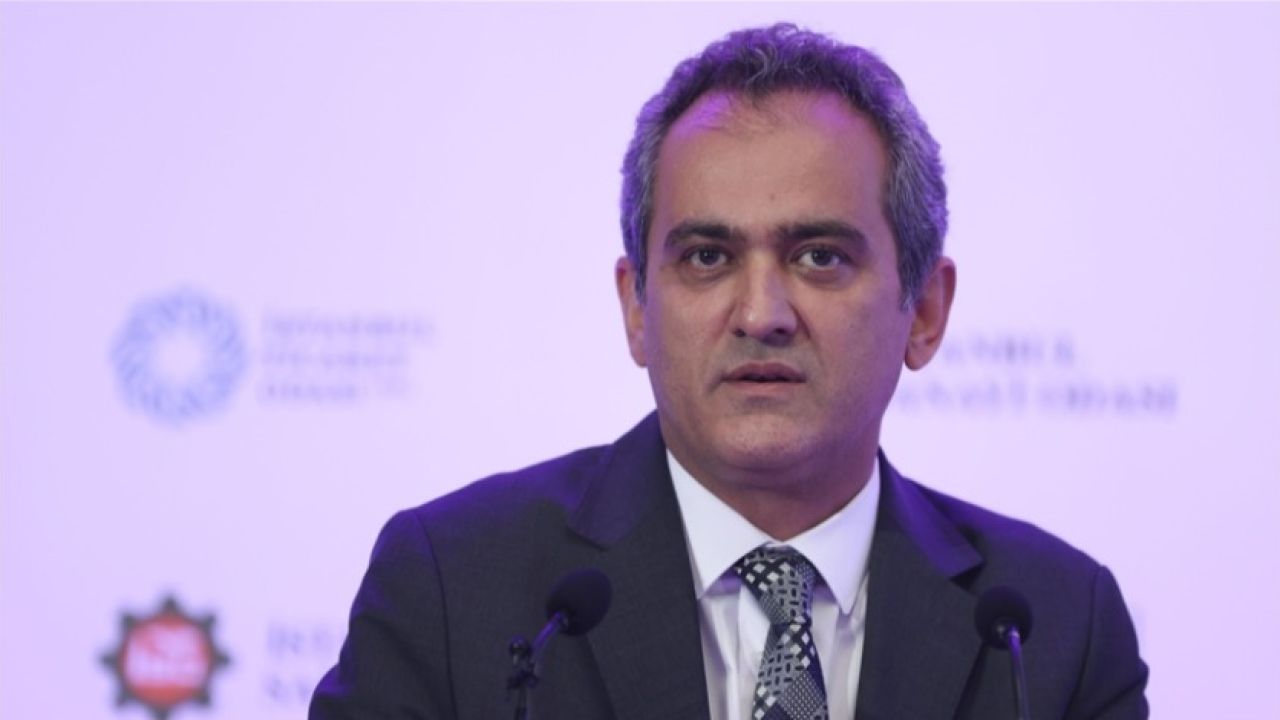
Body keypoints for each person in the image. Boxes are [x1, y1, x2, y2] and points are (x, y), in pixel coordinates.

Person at [310, 23, 1148, 719]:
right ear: (637, 308)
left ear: (924, 311)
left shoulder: (1054, 629)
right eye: (707, 257)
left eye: (819, 256)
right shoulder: (455, 587)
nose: (761, 314)